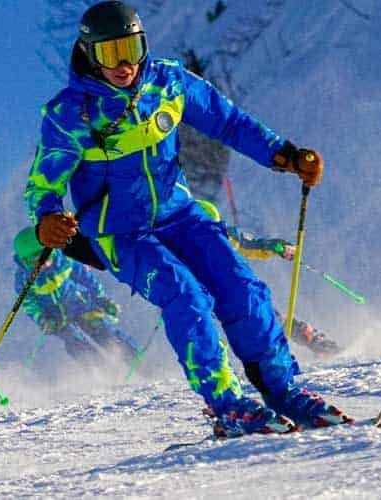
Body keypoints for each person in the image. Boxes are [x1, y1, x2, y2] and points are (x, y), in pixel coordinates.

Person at [23, 1, 349, 437]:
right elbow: (42, 185)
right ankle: (227, 405)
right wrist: (47, 219)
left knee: (242, 289)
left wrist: (283, 154)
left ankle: (282, 390)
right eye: (109, 54)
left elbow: (228, 122)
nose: (123, 65)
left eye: (130, 49)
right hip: (120, 233)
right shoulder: (71, 114)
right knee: (185, 296)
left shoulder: (167, 82)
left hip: (179, 215)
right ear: (89, 54)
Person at [195, 198, 344, 357]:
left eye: (211, 230)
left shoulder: (226, 237)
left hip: (232, 289)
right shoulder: (179, 248)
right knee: (206, 326)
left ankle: (312, 339)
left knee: (261, 314)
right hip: (200, 296)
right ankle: (217, 362)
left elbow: (253, 245)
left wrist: (276, 246)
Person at [11, 226, 142, 372]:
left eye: (44, 257)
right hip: (57, 318)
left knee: (103, 332)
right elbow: (29, 304)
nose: (42, 264)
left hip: (81, 305)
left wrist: (102, 299)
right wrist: (42, 319)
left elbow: (88, 279)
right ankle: (100, 371)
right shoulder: (24, 280)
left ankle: (137, 361)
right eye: (33, 262)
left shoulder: (64, 260)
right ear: (24, 262)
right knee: (75, 343)